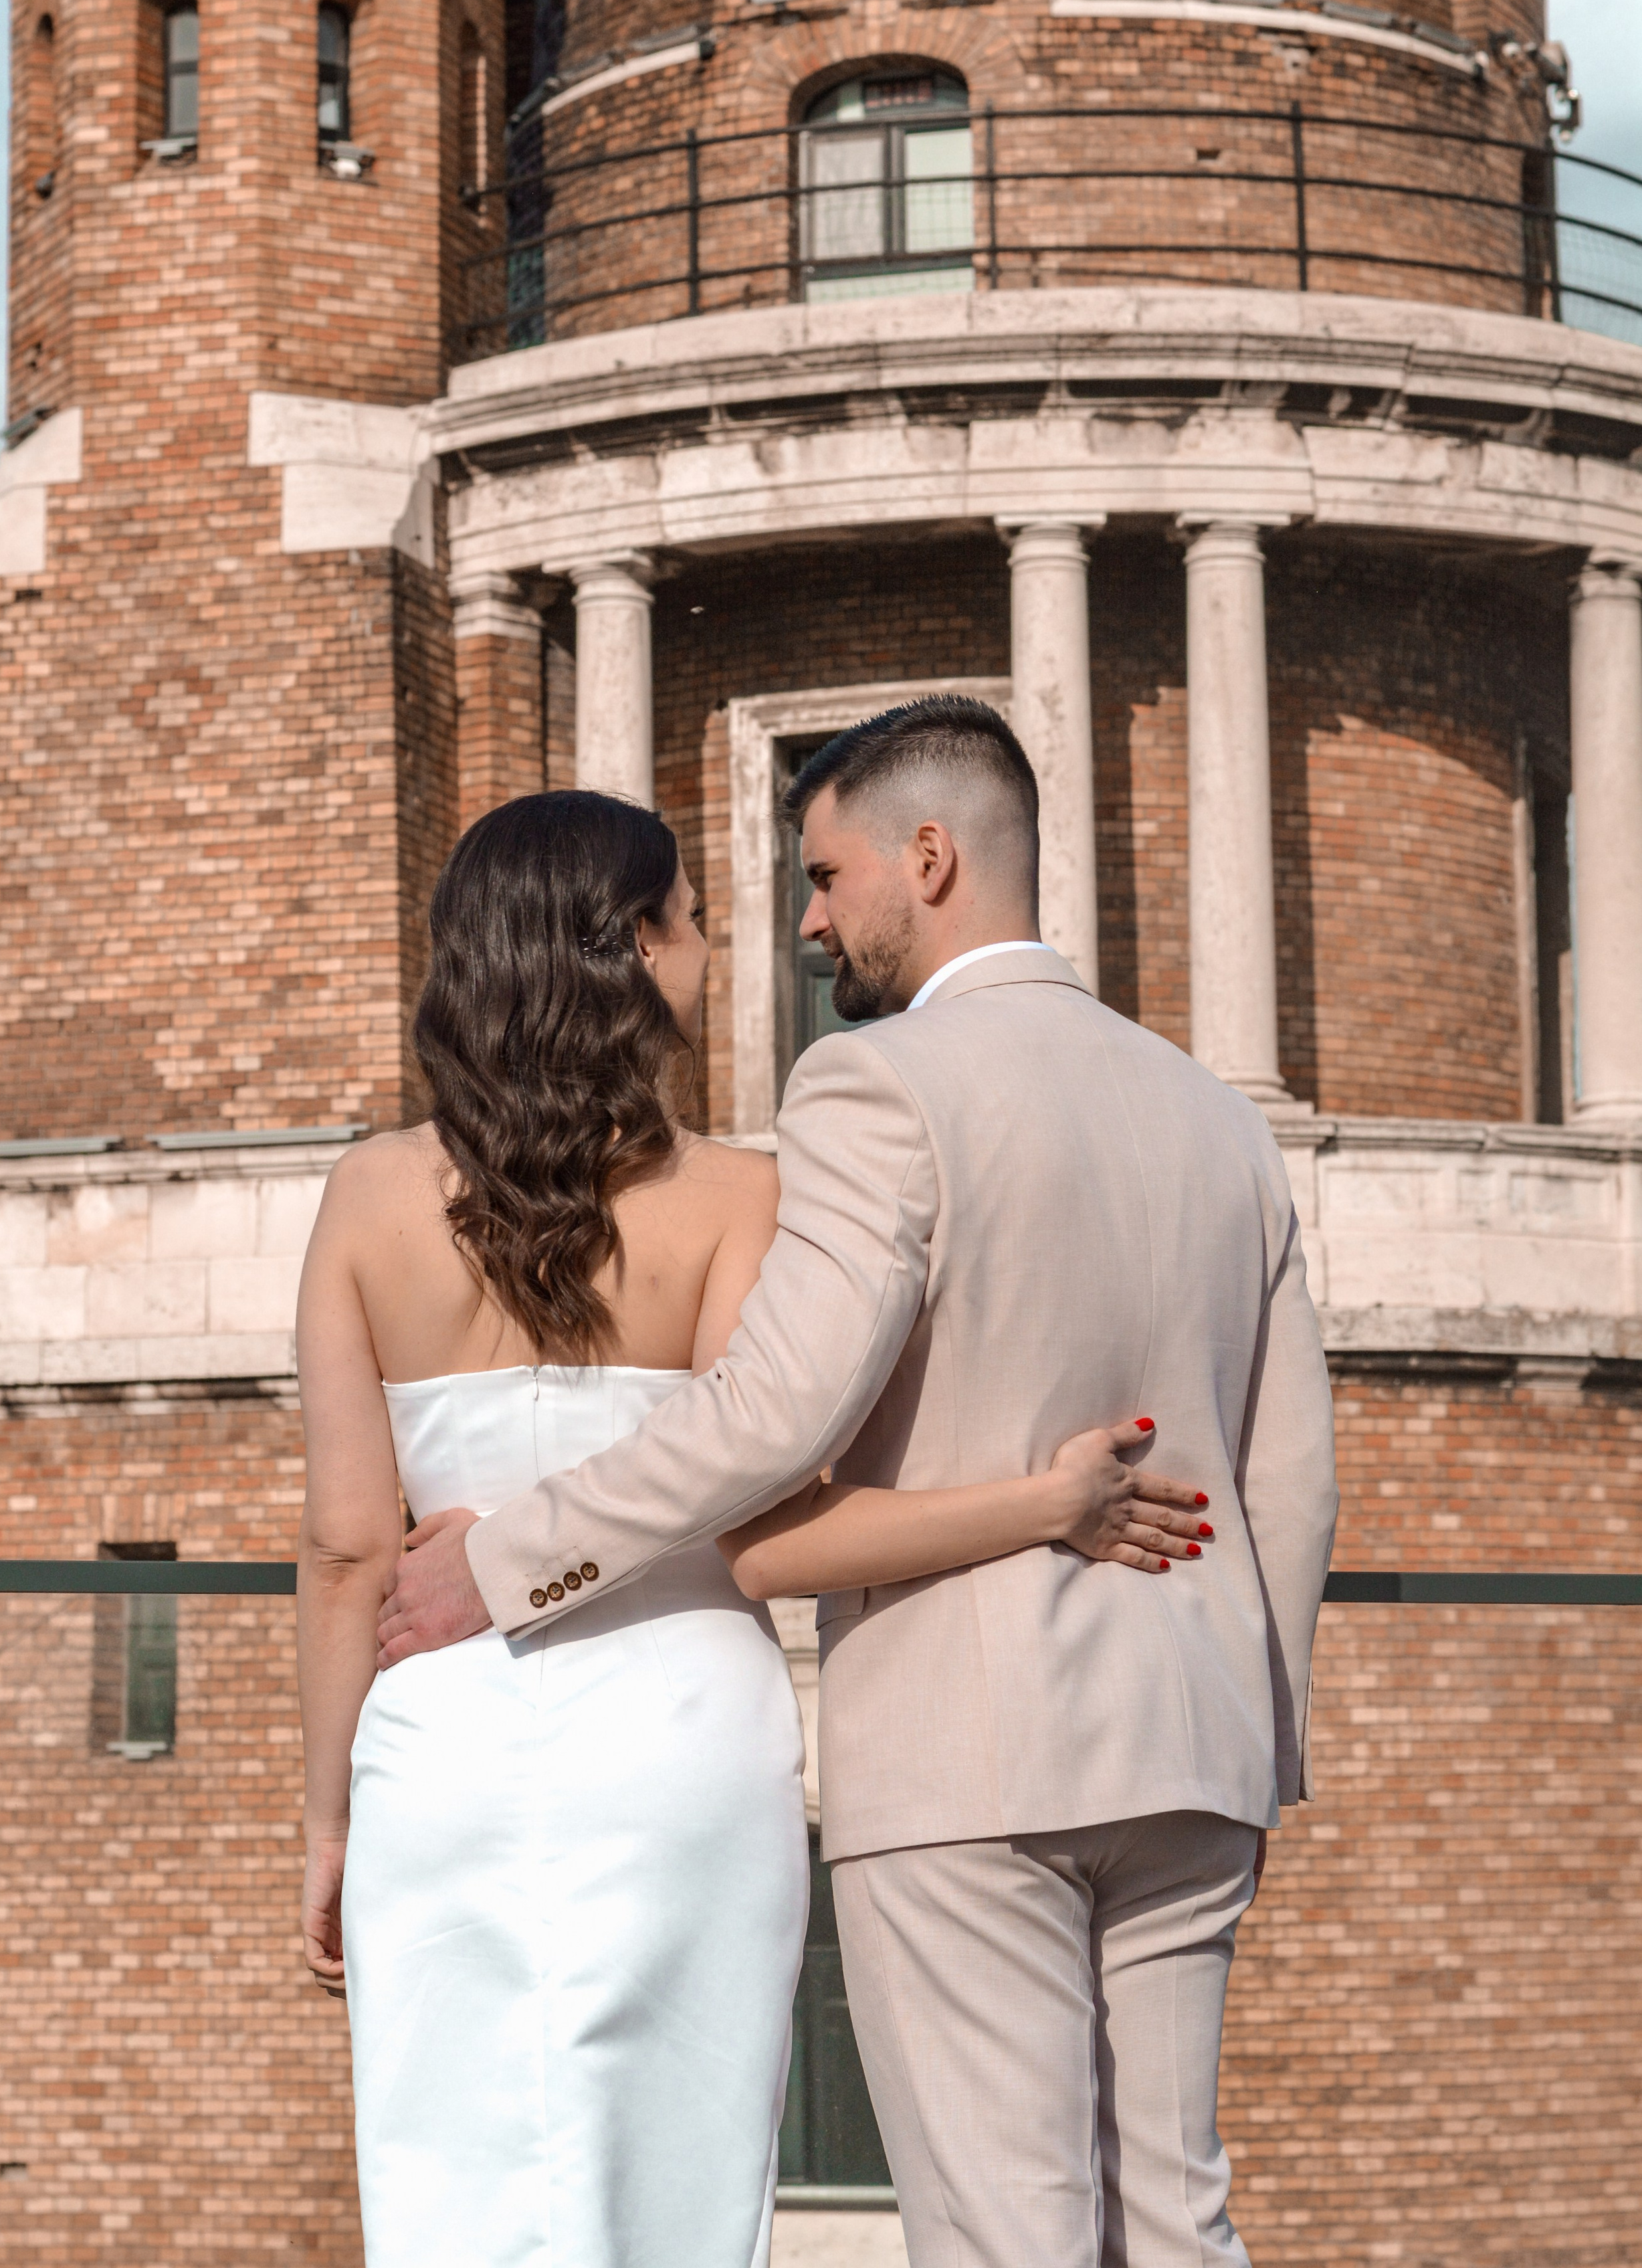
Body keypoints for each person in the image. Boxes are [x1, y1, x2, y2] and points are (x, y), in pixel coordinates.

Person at [378, 696, 1340, 2268]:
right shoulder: (1216, 1116)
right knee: (1177, 2217)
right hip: (1197, 1750)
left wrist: (511, 1557)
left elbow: (769, 1416)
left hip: (963, 1767)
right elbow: (1290, 1472)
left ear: (931, 855)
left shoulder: (874, 1084)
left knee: (1000, 2230)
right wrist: (1254, 1720)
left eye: (824, 877)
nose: (808, 921)